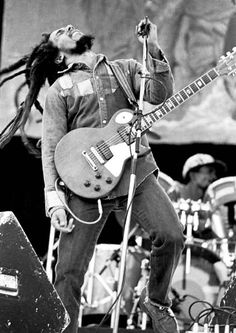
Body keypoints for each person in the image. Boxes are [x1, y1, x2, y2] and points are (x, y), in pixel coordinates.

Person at [0, 19, 185, 333]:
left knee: (172, 235)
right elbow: (52, 148)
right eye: (61, 33)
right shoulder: (61, 90)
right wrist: (54, 200)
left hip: (133, 173)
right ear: (59, 57)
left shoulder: (124, 69)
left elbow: (160, 93)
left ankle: (156, 301)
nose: (69, 27)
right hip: (85, 186)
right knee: (68, 271)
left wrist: (152, 46)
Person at [168, 153, 227, 239]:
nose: (214, 176)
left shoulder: (210, 201)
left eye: (214, 173)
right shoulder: (176, 191)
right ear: (192, 174)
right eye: (210, 171)